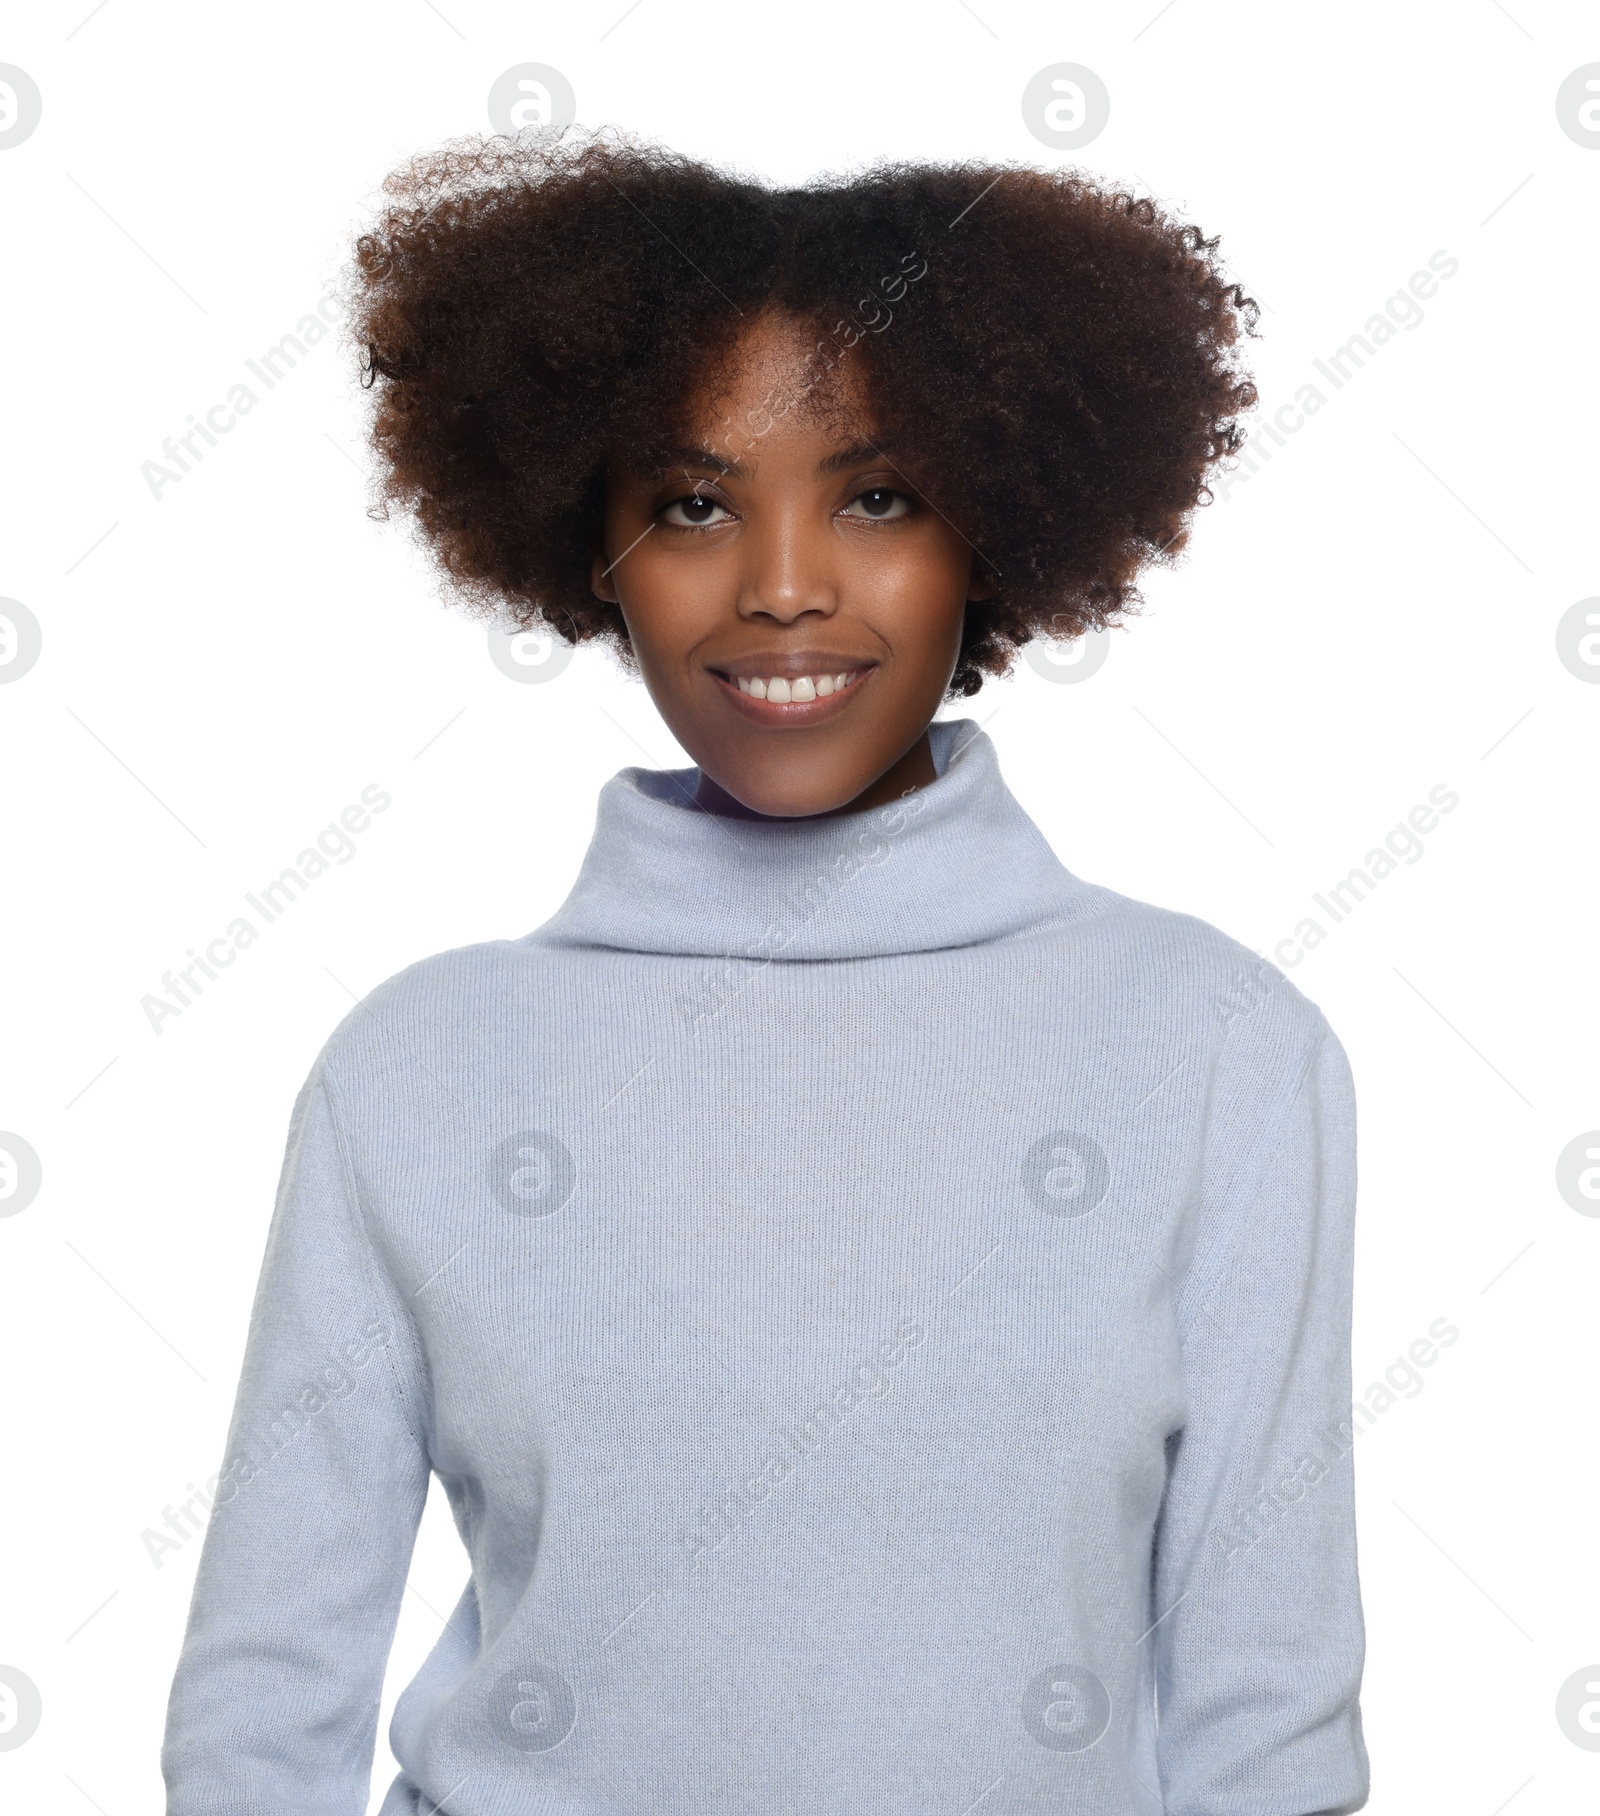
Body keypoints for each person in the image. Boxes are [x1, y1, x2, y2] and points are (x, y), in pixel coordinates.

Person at [161, 131, 1369, 1816]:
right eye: (694, 504)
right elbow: (261, 1713)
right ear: (596, 551)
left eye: (876, 496)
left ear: (994, 534)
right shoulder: (421, 1067)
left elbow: (1269, 1723)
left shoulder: (1221, 1047)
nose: (784, 585)